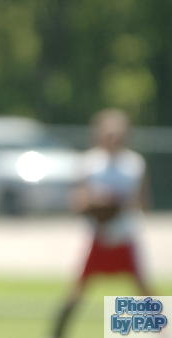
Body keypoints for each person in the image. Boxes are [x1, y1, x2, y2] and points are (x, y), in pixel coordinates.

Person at [52, 108, 152, 338]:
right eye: (108, 134)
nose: (113, 139)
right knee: (77, 290)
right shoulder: (90, 162)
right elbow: (77, 199)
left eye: (118, 134)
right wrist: (96, 203)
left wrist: (119, 204)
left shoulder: (134, 163)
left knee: (143, 290)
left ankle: (163, 331)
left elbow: (144, 201)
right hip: (99, 236)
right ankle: (57, 333)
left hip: (124, 235)